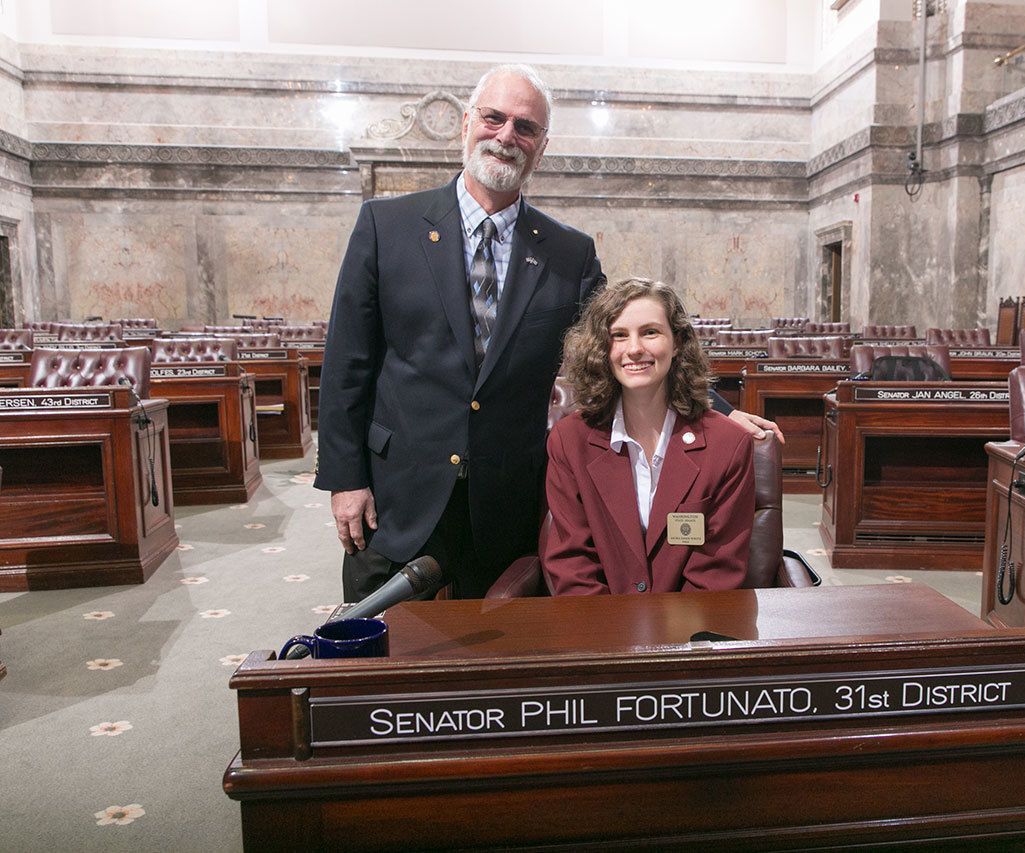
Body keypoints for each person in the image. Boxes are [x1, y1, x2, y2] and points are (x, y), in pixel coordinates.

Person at [317, 64, 779, 601]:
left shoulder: (567, 253)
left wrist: (716, 410)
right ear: (468, 122)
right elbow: (347, 361)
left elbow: (624, 341)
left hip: (506, 502)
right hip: (397, 497)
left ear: (542, 145)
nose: (507, 136)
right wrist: (345, 479)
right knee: (380, 666)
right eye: (494, 118)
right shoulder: (385, 225)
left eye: (526, 127)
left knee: (503, 670)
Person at [541, 278, 755, 595]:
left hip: (690, 636)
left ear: (678, 341)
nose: (635, 349)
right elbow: (572, 565)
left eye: (650, 332)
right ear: (602, 348)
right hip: (599, 631)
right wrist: (616, 640)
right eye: (618, 336)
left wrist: (666, 643)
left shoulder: (728, 444)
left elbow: (715, 573)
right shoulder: (570, 441)